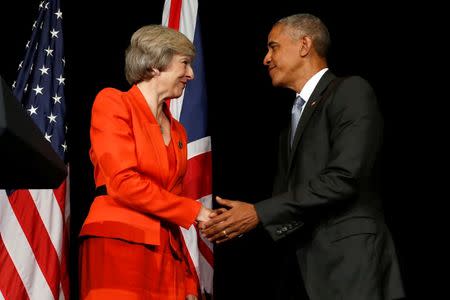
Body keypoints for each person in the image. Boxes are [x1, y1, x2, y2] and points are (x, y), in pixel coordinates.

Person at [201, 13, 405, 300]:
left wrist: (258, 213)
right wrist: (239, 219)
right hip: (304, 267)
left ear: (304, 45)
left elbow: (344, 179)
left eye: (273, 47)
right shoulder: (293, 119)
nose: (266, 59)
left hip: (350, 264)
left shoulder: (350, 91)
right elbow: (289, 198)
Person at [79, 25, 211, 300]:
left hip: (167, 254)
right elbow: (123, 183)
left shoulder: (178, 131)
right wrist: (195, 210)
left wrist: (188, 279)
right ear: (153, 65)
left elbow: (171, 205)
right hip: (119, 245)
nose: (191, 74)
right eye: (185, 64)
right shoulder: (113, 103)